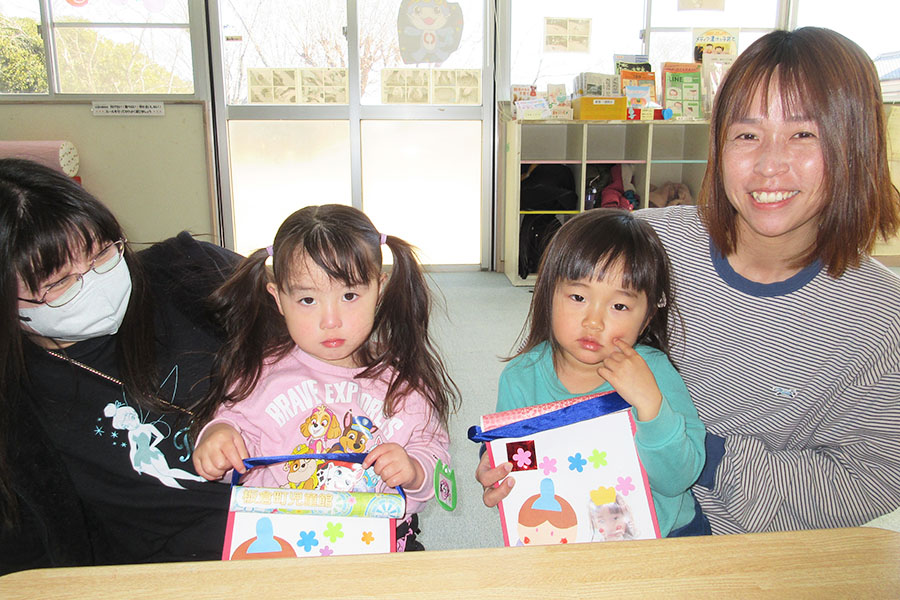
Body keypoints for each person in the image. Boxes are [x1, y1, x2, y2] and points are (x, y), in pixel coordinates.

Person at [637, 27, 900, 534]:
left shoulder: (881, 317)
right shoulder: (648, 245)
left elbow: (875, 474)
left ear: (857, 146)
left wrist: (703, 456)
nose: (768, 165)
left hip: (750, 554)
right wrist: (529, 447)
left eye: (804, 134)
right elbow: (557, 362)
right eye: (747, 134)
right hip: (605, 518)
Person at [0, 158, 242, 574]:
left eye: (102, 253)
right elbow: (28, 565)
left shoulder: (194, 271)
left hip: (326, 517)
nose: (93, 279)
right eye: (59, 282)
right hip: (176, 577)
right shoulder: (17, 403)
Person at [190, 204, 459, 551]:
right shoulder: (260, 374)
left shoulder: (403, 379)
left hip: (384, 547)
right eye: (307, 299)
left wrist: (414, 469)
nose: (330, 320)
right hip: (287, 550)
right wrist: (217, 438)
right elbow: (230, 432)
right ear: (278, 298)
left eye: (349, 296)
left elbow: (435, 455)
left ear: (379, 288)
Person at [477, 208, 707, 538]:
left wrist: (650, 405)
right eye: (578, 297)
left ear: (645, 318)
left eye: (619, 306)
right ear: (547, 295)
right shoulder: (521, 377)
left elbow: (677, 479)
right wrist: (495, 465)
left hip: (667, 537)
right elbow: (516, 456)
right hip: (568, 537)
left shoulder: (652, 372)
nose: (594, 321)